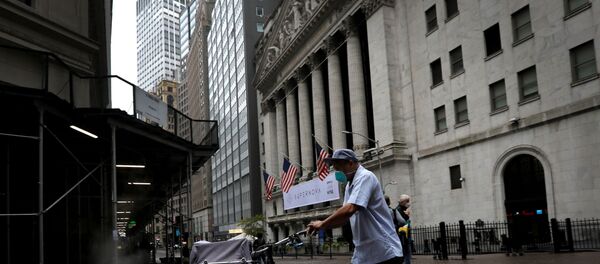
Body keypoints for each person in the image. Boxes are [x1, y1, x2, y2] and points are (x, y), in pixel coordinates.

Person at [306, 149, 403, 264]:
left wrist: (322, 223)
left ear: (351, 163)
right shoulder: (349, 185)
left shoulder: (365, 177)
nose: (337, 172)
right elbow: (344, 218)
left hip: (384, 251)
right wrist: (323, 226)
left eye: (338, 168)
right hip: (364, 253)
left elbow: (350, 209)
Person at [396, 194, 412, 264]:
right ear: (402, 202)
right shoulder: (399, 210)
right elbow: (402, 223)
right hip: (403, 234)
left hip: (405, 234)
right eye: (407, 201)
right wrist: (407, 216)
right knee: (406, 251)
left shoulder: (403, 209)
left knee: (407, 251)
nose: (408, 203)